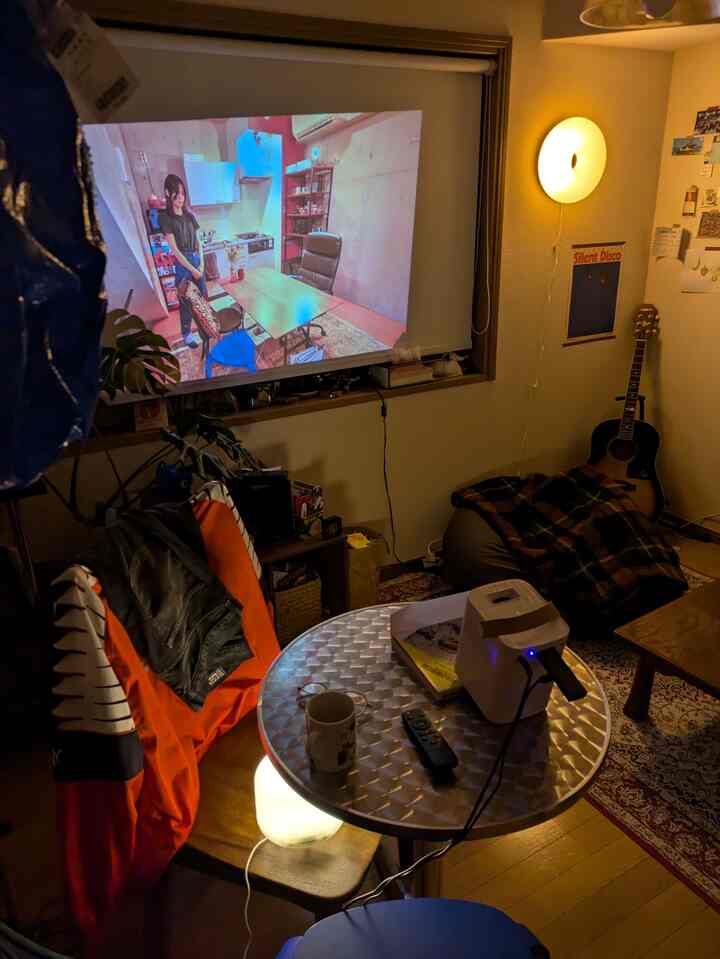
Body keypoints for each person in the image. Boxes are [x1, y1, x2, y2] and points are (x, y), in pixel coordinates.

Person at [158, 174, 205, 349]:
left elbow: (199, 241)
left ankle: (203, 328)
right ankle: (186, 333)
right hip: (183, 264)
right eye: (176, 195)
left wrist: (201, 264)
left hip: (196, 258)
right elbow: (175, 250)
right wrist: (192, 269)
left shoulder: (190, 215)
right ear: (168, 193)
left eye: (182, 194)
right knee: (186, 301)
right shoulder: (165, 218)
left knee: (200, 299)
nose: (180, 198)